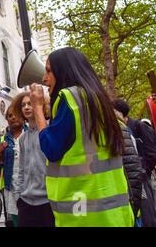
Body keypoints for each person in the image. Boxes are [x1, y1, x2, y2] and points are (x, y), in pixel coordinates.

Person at [30, 47, 134, 227]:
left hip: (83, 213)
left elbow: (51, 149)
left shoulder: (70, 98)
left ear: (64, 71)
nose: (44, 79)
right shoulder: (97, 100)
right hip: (115, 214)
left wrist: (38, 109)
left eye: (48, 71)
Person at [11, 92, 54, 227]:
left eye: (30, 103)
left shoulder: (50, 130)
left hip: (49, 202)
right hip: (26, 203)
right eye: (23, 105)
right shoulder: (23, 138)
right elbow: (21, 169)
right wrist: (19, 197)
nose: (27, 107)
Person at [113, 99, 156, 227]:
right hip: (135, 177)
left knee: (147, 214)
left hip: (142, 177)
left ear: (120, 113)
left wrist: (144, 172)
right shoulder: (125, 128)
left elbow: (152, 152)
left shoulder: (140, 126)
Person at [0, 105, 26, 227]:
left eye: (16, 114)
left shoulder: (32, 133)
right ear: (7, 119)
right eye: (10, 116)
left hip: (30, 185)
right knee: (15, 220)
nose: (13, 118)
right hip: (11, 186)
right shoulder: (3, 139)